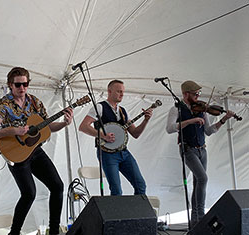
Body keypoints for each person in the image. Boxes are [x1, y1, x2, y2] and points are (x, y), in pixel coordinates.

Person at [0, 66, 73, 235]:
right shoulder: (5, 104)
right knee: (29, 194)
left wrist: (64, 123)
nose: (22, 88)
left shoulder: (35, 102)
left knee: (57, 186)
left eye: (25, 84)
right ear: (10, 85)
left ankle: (53, 230)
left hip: (35, 151)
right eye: (18, 85)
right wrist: (14, 131)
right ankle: (14, 232)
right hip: (16, 153)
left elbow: (47, 127)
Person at [166, 80, 235, 227]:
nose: (198, 96)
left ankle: (194, 219)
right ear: (185, 94)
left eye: (198, 93)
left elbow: (209, 131)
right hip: (188, 149)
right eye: (195, 94)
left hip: (202, 149)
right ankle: (201, 216)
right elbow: (170, 128)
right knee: (203, 178)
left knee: (198, 181)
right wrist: (190, 121)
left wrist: (223, 119)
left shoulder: (201, 110)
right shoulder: (176, 109)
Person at [79, 79, 153, 196]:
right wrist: (103, 136)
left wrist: (146, 120)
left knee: (140, 185)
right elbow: (83, 126)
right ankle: (117, 214)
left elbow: (135, 133)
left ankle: (136, 214)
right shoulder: (99, 107)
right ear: (109, 91)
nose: (122, 94)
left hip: (124, 153)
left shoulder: (123, 111)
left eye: (123, 92)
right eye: (118, 91)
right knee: (116, 190)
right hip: (107, 154)